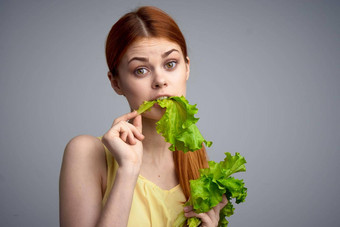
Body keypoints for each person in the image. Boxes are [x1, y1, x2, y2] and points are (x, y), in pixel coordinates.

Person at [59, 6, 227, 227]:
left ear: (187, 68)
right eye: (141, 70)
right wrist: (128, 171)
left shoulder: (199, 162)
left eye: (170, 64)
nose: (160, 80)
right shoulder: (87, 153)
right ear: (116, 82)